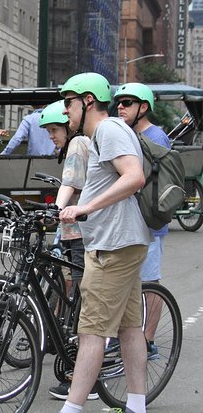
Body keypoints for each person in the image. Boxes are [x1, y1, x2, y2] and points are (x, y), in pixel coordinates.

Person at [58, 72, 151, 413]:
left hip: (113, 246)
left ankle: (72, 408)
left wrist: (85, 207)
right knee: (128, 327)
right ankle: (136, 405)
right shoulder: (106, 133)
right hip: (121, 241)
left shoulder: (108, 130)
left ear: (87, 101)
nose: (65, 110)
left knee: (92, 331)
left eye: (69, 102)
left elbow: (134, 176)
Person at [37, 100, 97, 401]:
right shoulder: (85, 142)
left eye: (53, 130)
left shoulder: (77, 145)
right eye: (48, 132)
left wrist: (54, 210)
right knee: (78, 295)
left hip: (81, 232)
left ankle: (88, 375)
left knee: (84, 299)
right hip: (79, 231)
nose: (51, 136)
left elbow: (71, 184)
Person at [114, 82, 169, 360]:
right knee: (128, 282)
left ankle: (148, 340)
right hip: (127, 222)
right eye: (119, 103)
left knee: (150, 282)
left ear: (143, 107)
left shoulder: (156, 136)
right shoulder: (126, 133)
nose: (120, 107)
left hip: (149, 222)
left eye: (126, 103)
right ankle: (129, 335)